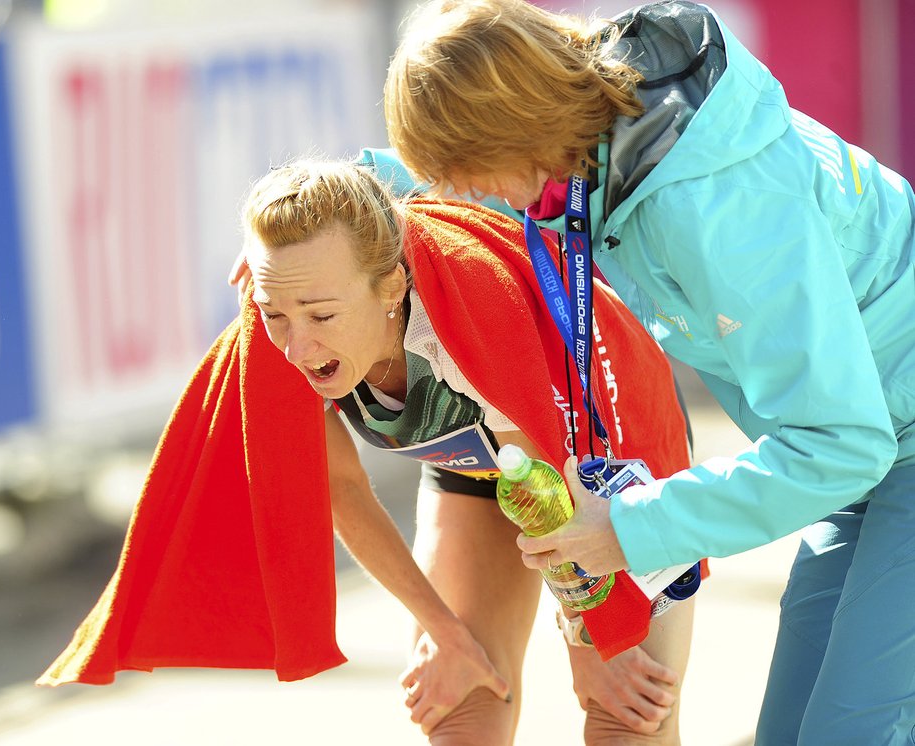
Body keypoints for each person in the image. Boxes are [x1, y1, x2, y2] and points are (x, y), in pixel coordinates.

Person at [382, 0, 915, 742]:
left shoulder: (717, 204)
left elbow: (840, 444)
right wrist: (325, 210)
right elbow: (447, 189)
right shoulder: (591, 140)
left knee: (848, 730)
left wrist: (634, 528)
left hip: (866, 446)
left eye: (470, 170)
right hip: (871, 451)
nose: (469, 195)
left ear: (513, 124)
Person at [41, 159, 699, 744]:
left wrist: (588, 636)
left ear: (391, 289)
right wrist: (445, 634)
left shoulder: (473, 314)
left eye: (322, 317)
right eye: (276, 314)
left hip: (605, 460)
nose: (298, 348)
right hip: (485, 466)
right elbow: (342, 491)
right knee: (462, 708)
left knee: (624, 719)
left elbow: (550, 495)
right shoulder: (280, 315)